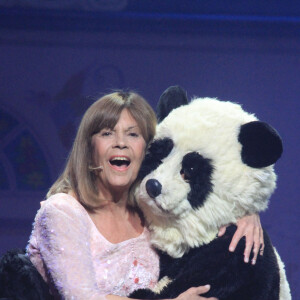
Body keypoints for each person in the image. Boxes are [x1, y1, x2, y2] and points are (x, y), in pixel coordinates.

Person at [26, 91, 264, 300]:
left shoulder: (149, 211)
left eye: (133, 134)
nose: (121, 143)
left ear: (149, 149)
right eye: (107, 133)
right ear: (89, 148)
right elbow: (81, 296)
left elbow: (204, 215)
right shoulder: (62, 211)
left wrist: (246, 213)